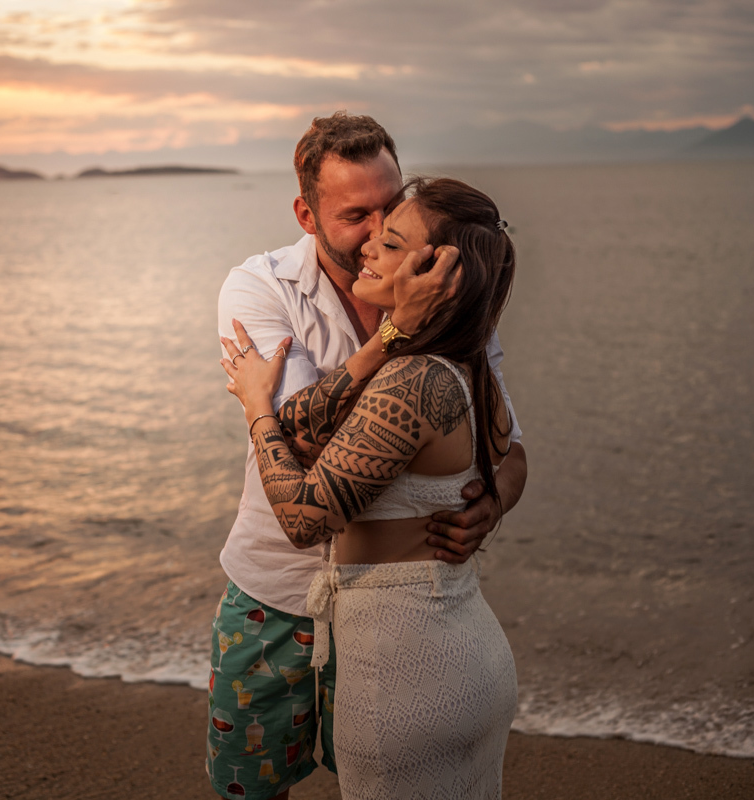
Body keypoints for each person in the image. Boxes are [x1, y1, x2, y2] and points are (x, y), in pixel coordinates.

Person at [207, 112, 527, 800]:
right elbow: (299, 445)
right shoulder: (260, 288)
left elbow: (505, 446)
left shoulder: (442, 307)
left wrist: (492, 504)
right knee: (252, 786)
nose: (378, 232)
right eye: (357, 215)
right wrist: (394, 331)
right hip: (279, 593)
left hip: (399, 616)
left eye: (391, 208)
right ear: (307, 212)